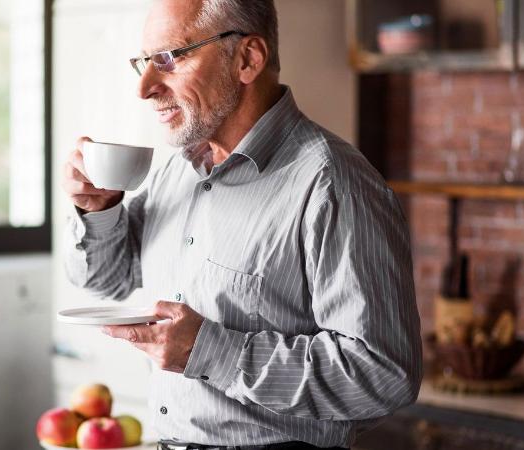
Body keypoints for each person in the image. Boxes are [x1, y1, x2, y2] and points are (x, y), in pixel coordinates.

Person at [61, 0, 423, 448]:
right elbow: (104, 280)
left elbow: (384, 374)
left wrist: (211, 351)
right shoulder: (177, 172)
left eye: (169, 58)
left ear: (248, 59)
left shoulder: (334, 183)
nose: (145, 87)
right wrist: (98, 209)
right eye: (144, 62)